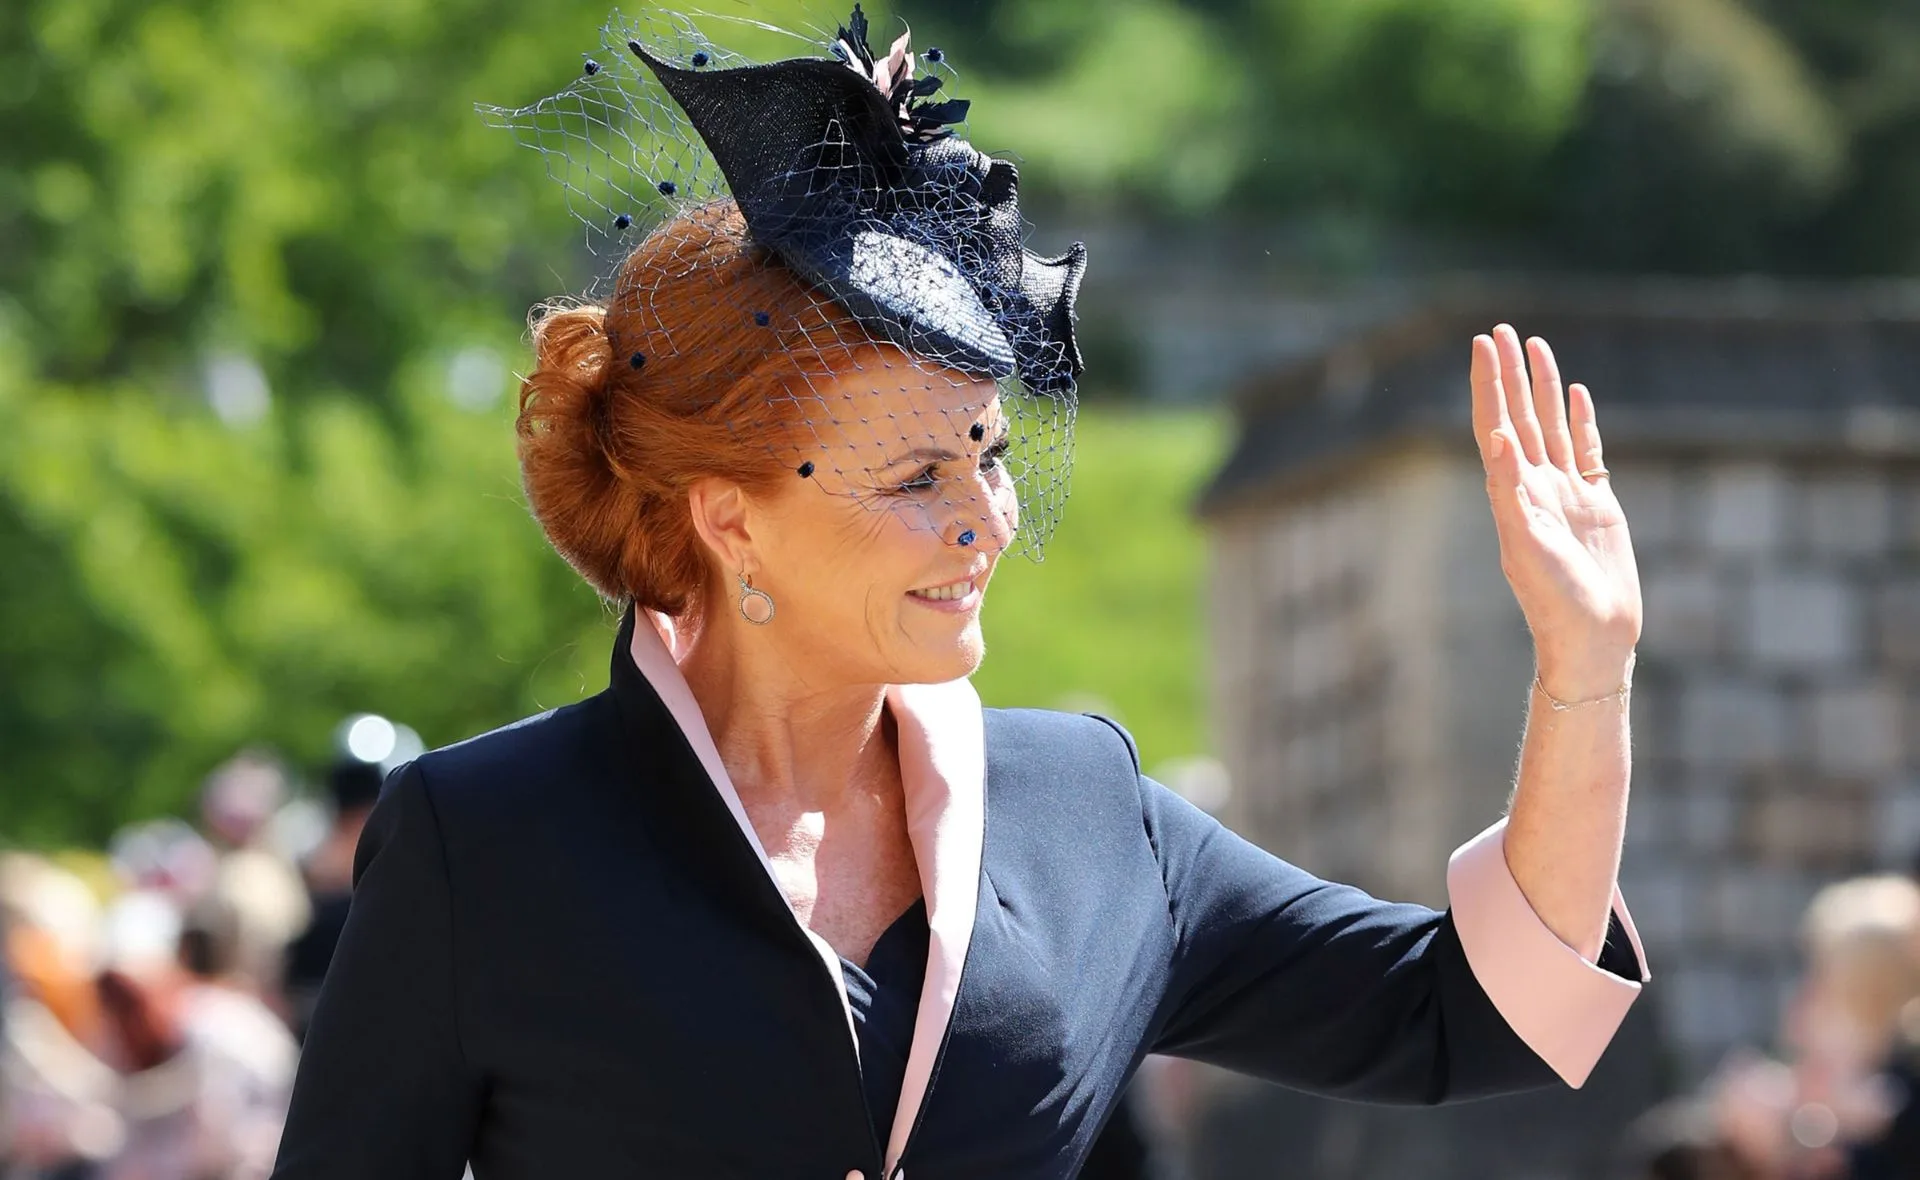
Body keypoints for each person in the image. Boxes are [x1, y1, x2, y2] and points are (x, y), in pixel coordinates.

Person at [270, 8, 1649, 1179]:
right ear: (730, 523)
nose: (983, 519)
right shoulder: (484, 841)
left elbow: (1486, 1017)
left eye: (984, 454)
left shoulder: (1086, 812)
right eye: (913, 474)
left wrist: (1582, 672)